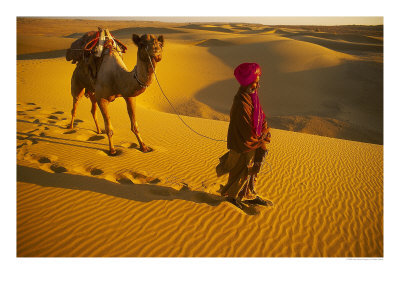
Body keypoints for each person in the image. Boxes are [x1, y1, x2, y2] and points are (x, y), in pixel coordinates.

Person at [216, 62, 272, 209]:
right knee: (240, 170)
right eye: (255, 82)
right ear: (248, 82)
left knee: (250, 170)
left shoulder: (252, 97)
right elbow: (248, 131)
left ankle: (247, 195)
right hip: (242, 144)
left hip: (252, 143)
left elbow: (260, 115)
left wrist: (264, 130)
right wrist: (264, 135)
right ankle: (232, 197)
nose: (258, 85)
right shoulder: (241, 102)